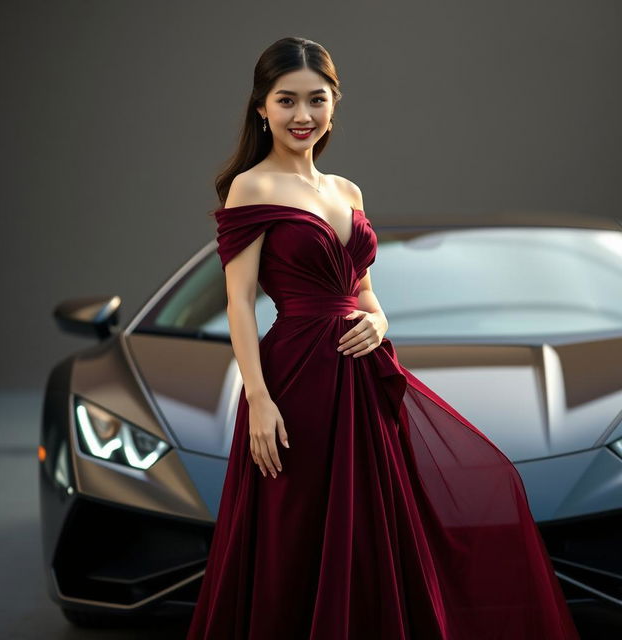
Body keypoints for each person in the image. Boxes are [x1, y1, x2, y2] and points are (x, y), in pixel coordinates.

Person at [186, 36, 580, 640]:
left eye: (316, 100)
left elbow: (365, 294)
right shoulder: (253, 188)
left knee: (371, 530)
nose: (302, 116)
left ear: (334, 104)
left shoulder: (348, 192)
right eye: (286, 101)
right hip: (296, 385)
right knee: (298, 531)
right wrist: (259, 400)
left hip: (366, 382)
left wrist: (381, 322)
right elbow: (239, 303)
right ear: (261, 108)